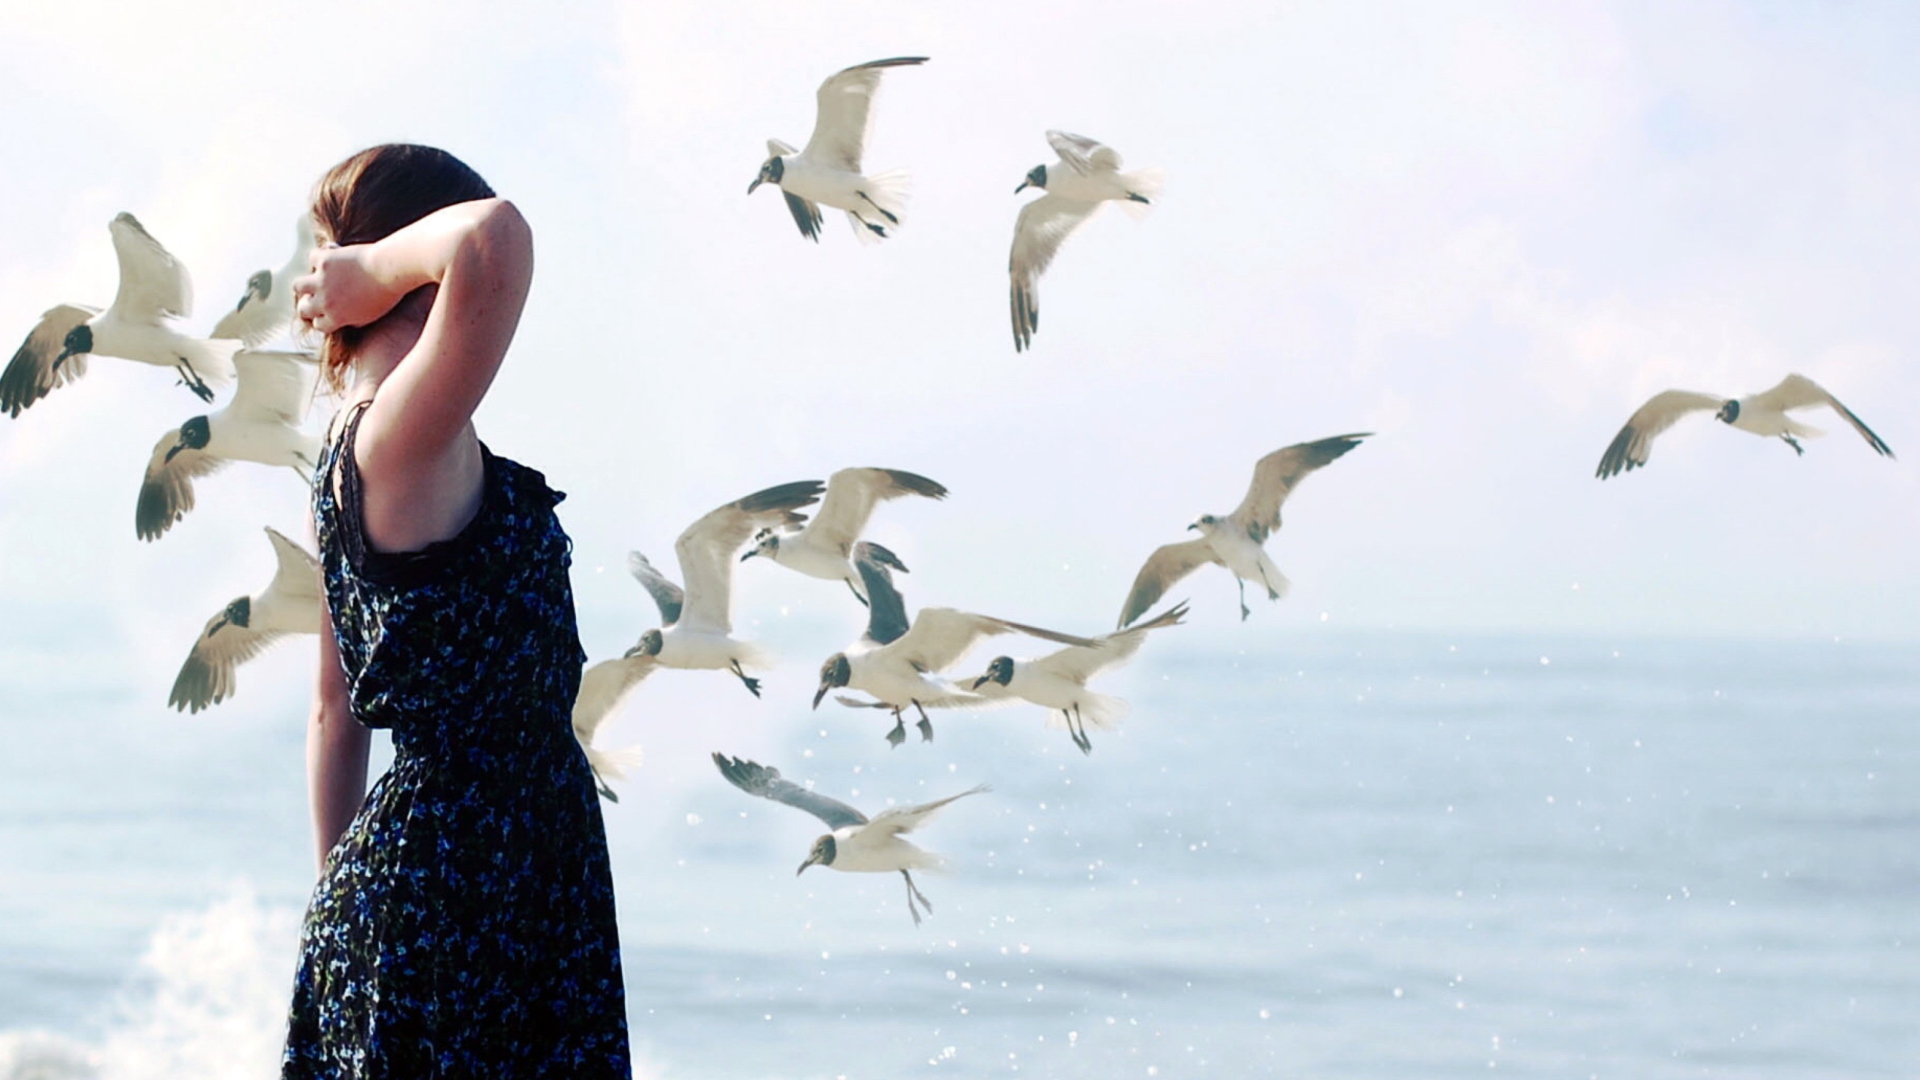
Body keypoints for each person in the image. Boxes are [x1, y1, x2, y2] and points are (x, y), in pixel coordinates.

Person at [282, 144, 630, 1077]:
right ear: (415, 273)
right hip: (474, 878)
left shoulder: (366, 446)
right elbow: (496, 236)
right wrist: (371, 269)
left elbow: (333, 707)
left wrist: (335, 910)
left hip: (459, 875)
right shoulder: (398, 435)